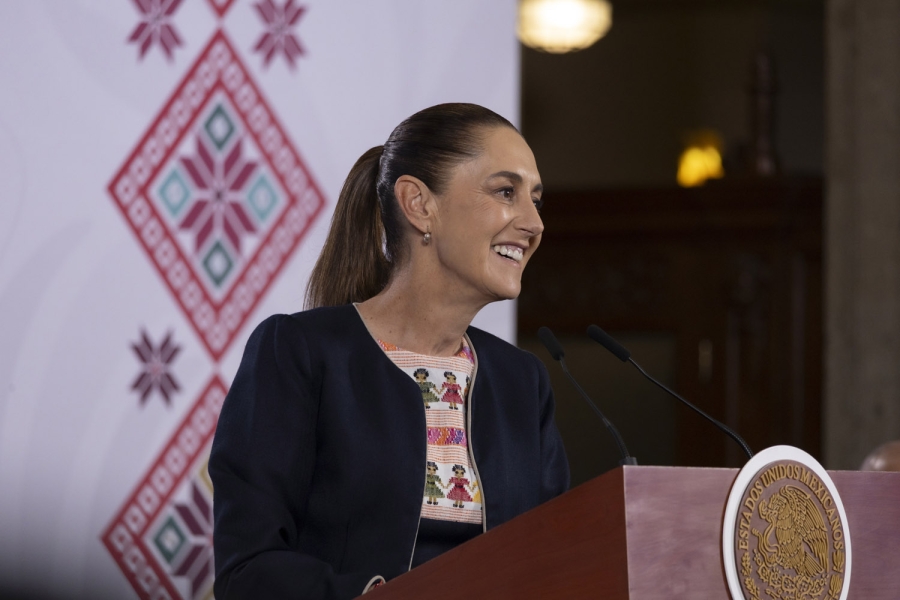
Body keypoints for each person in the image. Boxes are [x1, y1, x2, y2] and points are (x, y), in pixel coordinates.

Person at [209, 103, 570, 600]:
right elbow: (247, 570)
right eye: (506, 192)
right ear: (419, 204)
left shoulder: (522, 383)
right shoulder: (298, 353)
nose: (534, 224)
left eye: (536, 200)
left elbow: (556, 562)